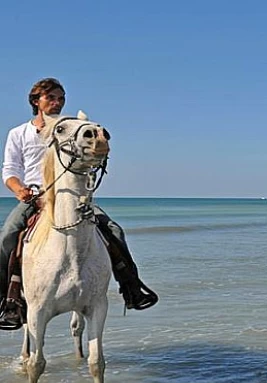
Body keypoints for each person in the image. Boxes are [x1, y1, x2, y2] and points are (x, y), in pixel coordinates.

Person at [0, 78, 158, 330]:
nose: (57, 102)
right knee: (7, 237)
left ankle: (132, 289)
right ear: (35, 101)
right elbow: (9, 169)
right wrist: (20, 190)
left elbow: (90, 152)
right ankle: (8, 301)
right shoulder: (19, 133)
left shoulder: (70, 128)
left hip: (71, 195)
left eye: (61, 98)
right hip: (36, 196)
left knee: (114, 230)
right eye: (51, 97)